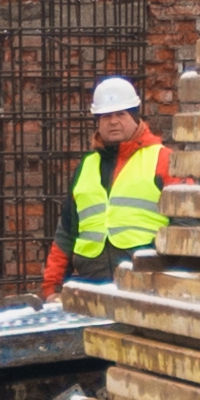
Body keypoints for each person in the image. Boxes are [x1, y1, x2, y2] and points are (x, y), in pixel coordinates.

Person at [61, 72, 169, 281]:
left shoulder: (163, 159)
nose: (113, 122)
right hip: (93, 283)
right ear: (98, 122)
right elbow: (65, 233)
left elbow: (185, 224)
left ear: (135, 117)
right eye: (106, 116)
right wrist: (51, 287)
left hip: (147, 283)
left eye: (120, 114)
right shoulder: (86, 166)